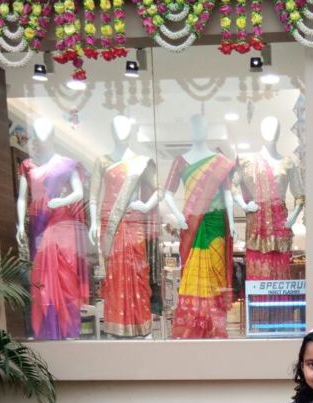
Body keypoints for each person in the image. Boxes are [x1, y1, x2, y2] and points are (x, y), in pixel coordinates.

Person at [163, 114, 236, 339]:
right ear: (189, 129)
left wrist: (232, 221)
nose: (198, 130)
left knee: (215, 275)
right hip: (192, 226)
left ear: (207, 129)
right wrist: (178, 215)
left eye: (202, 126)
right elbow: (167, 193)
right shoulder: (180, 161)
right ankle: (193, 329)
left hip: (215, 226)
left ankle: (215, 329)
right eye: (194, 126)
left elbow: (227, 194)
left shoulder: (220, 161)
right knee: (193, 276)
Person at [16, 116, 89, 339]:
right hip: (38, 222)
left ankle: (68, 330)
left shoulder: (67, 164)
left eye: (46, 132)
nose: (41, 136)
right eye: (38, 132)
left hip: (60, 222)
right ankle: (47, 330)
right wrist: (20, 225)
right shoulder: (27, 165)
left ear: (53, 136)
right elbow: (22, 197)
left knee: (65, 274)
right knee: (42, 278)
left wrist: (62, 201)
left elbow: (79, 193)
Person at [89, 114, 159, 338]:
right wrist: (93, 223)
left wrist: (146, 206)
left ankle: (141, 327)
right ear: (110, 131)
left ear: (132, 131)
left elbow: (160, 189)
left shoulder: (141, 162)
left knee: (137, 271)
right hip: (109, 223)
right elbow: (93, 196)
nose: (121, 131)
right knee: (114, 276)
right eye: (117, 127)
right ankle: (116, 327)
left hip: (133, 221)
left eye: (126, 127)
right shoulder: (102, 161)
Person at [234, 115, 305, 282]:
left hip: (280, 223)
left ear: (279, 132)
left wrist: (293, 218)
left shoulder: (289, 162)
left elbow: (299, 195)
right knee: (258, 269)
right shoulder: (247, 161)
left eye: (275, 127)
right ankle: (259, 299)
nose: (271, 132)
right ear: (260, 131)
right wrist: (244, 205)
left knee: (279, 270)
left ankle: (278, 300)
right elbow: (231, 185)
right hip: (256, 224)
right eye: (266, 127)